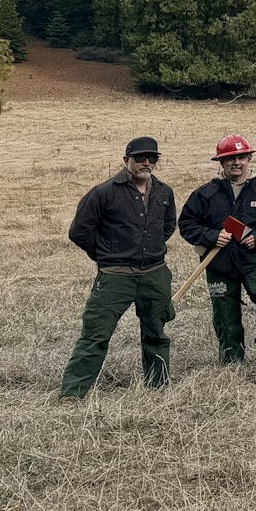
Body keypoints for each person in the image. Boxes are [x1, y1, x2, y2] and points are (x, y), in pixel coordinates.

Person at [60, 137, 178, 400]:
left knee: (156, 333)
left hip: (155, 274)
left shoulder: (164, 192)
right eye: (140, 158)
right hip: (115, 276)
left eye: (152, 158)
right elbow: (79, 232)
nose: (146, 163)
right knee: (96, 334)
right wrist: (106, 254)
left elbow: (167, 227)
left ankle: (157, 387)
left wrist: (151, 245)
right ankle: (73, 393)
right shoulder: (103, 192)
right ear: (126, 160)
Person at [178, 134, 256, 368]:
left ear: (249, 158)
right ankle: (232, 359)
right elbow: (187, 224)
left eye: (241, 157)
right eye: (230, 158)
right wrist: (211, 236)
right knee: (224, 312)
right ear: (221, 162)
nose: (236, 163)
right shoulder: (205, 194)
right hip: (219, 264)